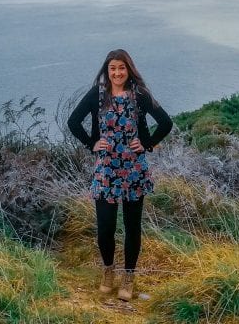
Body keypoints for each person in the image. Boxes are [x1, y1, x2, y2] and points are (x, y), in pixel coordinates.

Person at [67, 48, 173, 302]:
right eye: (112, 68)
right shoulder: (97, 95)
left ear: (129, 69)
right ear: (107, 70)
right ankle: (107, 271)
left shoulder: (139, 95)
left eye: (121, 68)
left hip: (134, 169)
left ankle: (128, 276)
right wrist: (92, 142)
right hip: (105, 169)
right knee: (105, 227)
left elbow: (165, 122)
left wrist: (146, 144)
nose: (117, 73)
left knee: (132, 227)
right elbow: (73, 121)